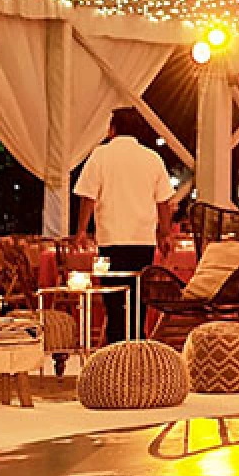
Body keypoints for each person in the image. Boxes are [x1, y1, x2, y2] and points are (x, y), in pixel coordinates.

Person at [73, 110, 178, 340]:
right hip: (143, 241)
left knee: (113, 299)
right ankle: (136, 345)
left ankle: (116, 348)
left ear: (112, 129)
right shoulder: (152, 158)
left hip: (111, 240)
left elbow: (88, 196)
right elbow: (163, 202)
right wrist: (165, 233)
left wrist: (81, 230)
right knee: (139, 299)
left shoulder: (101, 155)